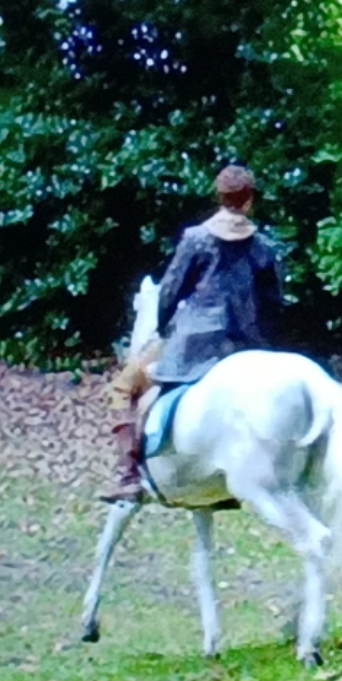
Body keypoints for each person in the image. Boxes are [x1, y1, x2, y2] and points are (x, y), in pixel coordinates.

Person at [104, 164, 285, 503]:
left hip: (195, 344)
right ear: (250, 200)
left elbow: (170, 291)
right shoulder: (263, 246)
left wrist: (164, 328)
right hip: (247, 347)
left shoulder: (197, 238)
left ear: (219, 196)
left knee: (123, 387)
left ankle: (129, 475)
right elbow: (275, 301)